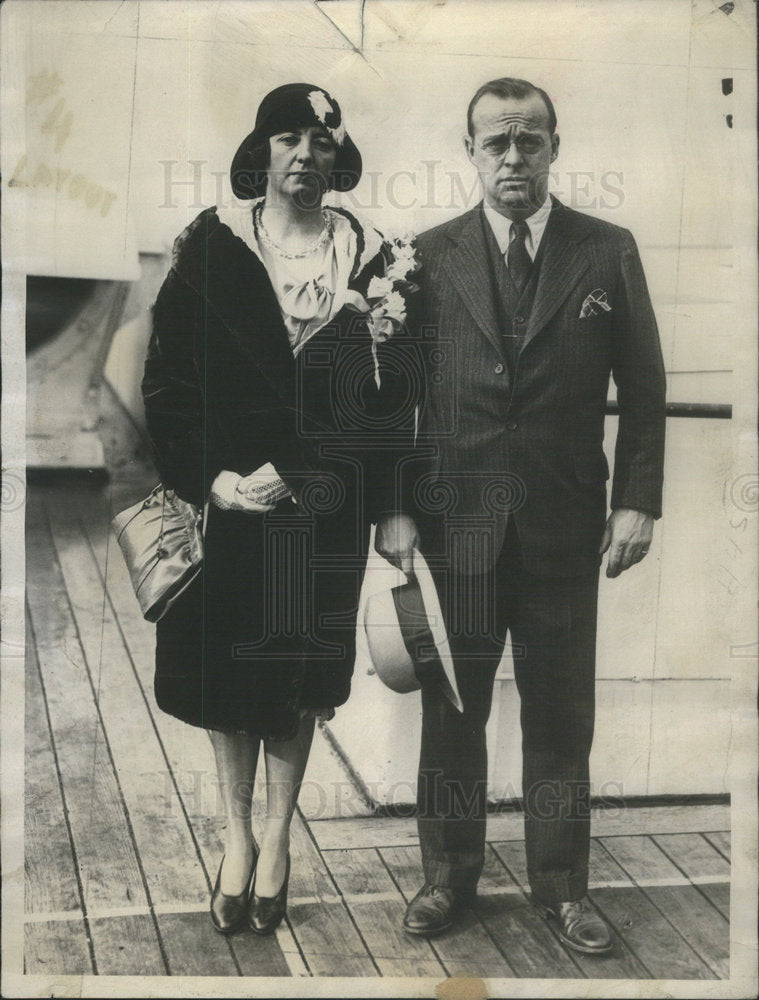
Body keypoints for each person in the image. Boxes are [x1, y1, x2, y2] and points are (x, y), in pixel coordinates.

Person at [376, 77, 666, 953]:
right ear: (468, 151)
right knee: (452, 713)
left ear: (553, 146)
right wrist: (392, 510)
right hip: (452, 524)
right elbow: (392, 400)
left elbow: (644, 387)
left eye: (528, 140)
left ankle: (562, 889)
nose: (512, 157)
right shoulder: (423, 257)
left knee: (559, 715)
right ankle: (445, 879)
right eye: (494, 142)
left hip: (563, 526)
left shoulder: (605, 250)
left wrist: (636, 505)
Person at [142, 83, 414, 936]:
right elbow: (168, 386)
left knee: (298, 681)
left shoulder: (379, 262)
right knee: (230, 678)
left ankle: (276, 840)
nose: (305, 156)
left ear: (339, 159)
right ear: (259, 152)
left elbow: (396, 404)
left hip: (323, 510)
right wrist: (211, 481)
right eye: (288, 138)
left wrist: (387, 507)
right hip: (233, 508)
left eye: (322, 143)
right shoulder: (211, 250)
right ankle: (232, 839)